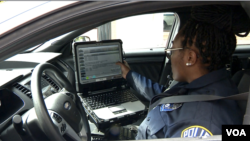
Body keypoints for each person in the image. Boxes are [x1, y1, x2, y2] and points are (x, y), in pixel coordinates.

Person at [115, 5, 250, 139]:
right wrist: (129, 75)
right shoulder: (201, 85)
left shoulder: (203, 123)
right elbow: (168, 98)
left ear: (190, 58)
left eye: (172, 51)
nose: (170, 57)